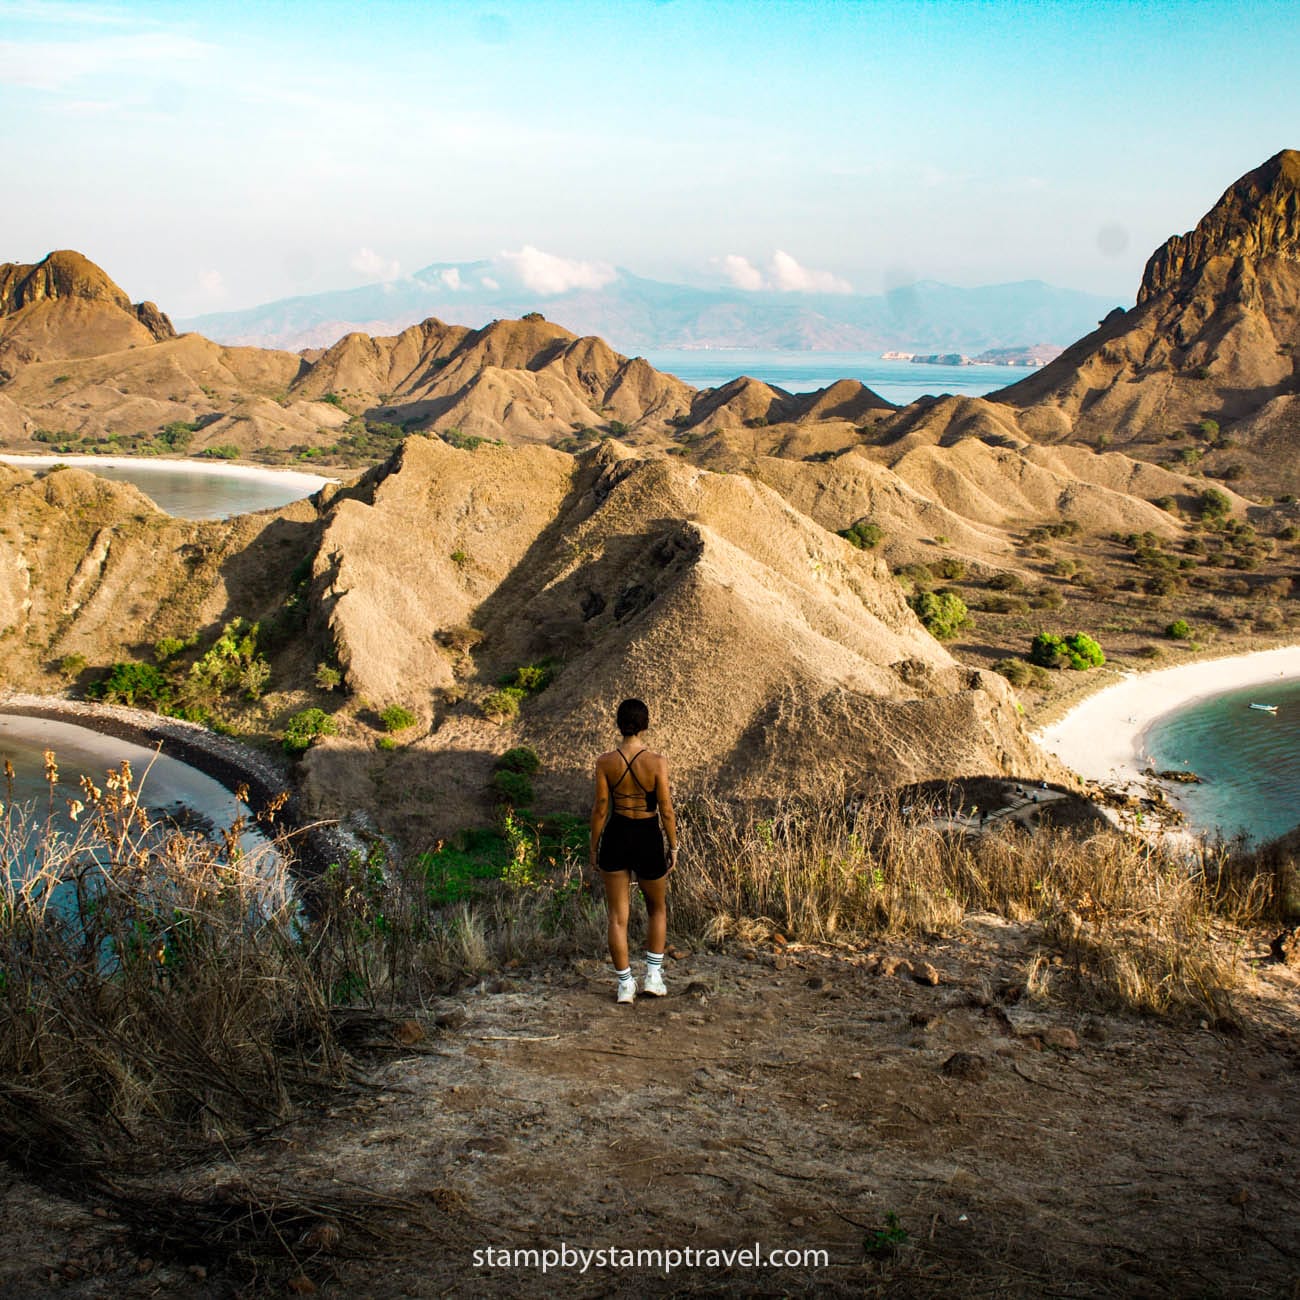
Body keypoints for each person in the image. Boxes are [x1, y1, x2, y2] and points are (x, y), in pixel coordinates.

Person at [589, 698, 677, 1004]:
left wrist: (594, 846)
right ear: (645, 723)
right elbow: (666, 809)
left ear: (618, 723)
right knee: (657, 908)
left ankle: (625, 985)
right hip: (647, 834)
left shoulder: (605, 762)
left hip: (616, 833)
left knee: (616, 917)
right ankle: (653, 977)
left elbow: (601, 808)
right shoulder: (657, 762)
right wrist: (674, 846)